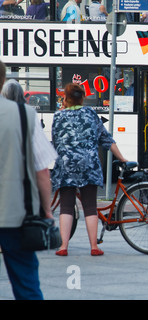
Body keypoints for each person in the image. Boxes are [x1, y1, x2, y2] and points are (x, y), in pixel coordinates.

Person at [0, 65, 57, 299]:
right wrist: (47, 211)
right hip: (17, 214)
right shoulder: (25, 116)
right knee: (27, 286)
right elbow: (42, 171)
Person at [51, 83, 127, 257]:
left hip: (66, 165)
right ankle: (94, 246)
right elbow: (106, 140)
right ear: (82, 98)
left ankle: (63, 246)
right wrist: (122, 157)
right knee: (90, 206)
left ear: (65, 98)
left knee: (66, 206)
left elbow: (56, 142)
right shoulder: (91, 113)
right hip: (89, 164)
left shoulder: (58, 116)